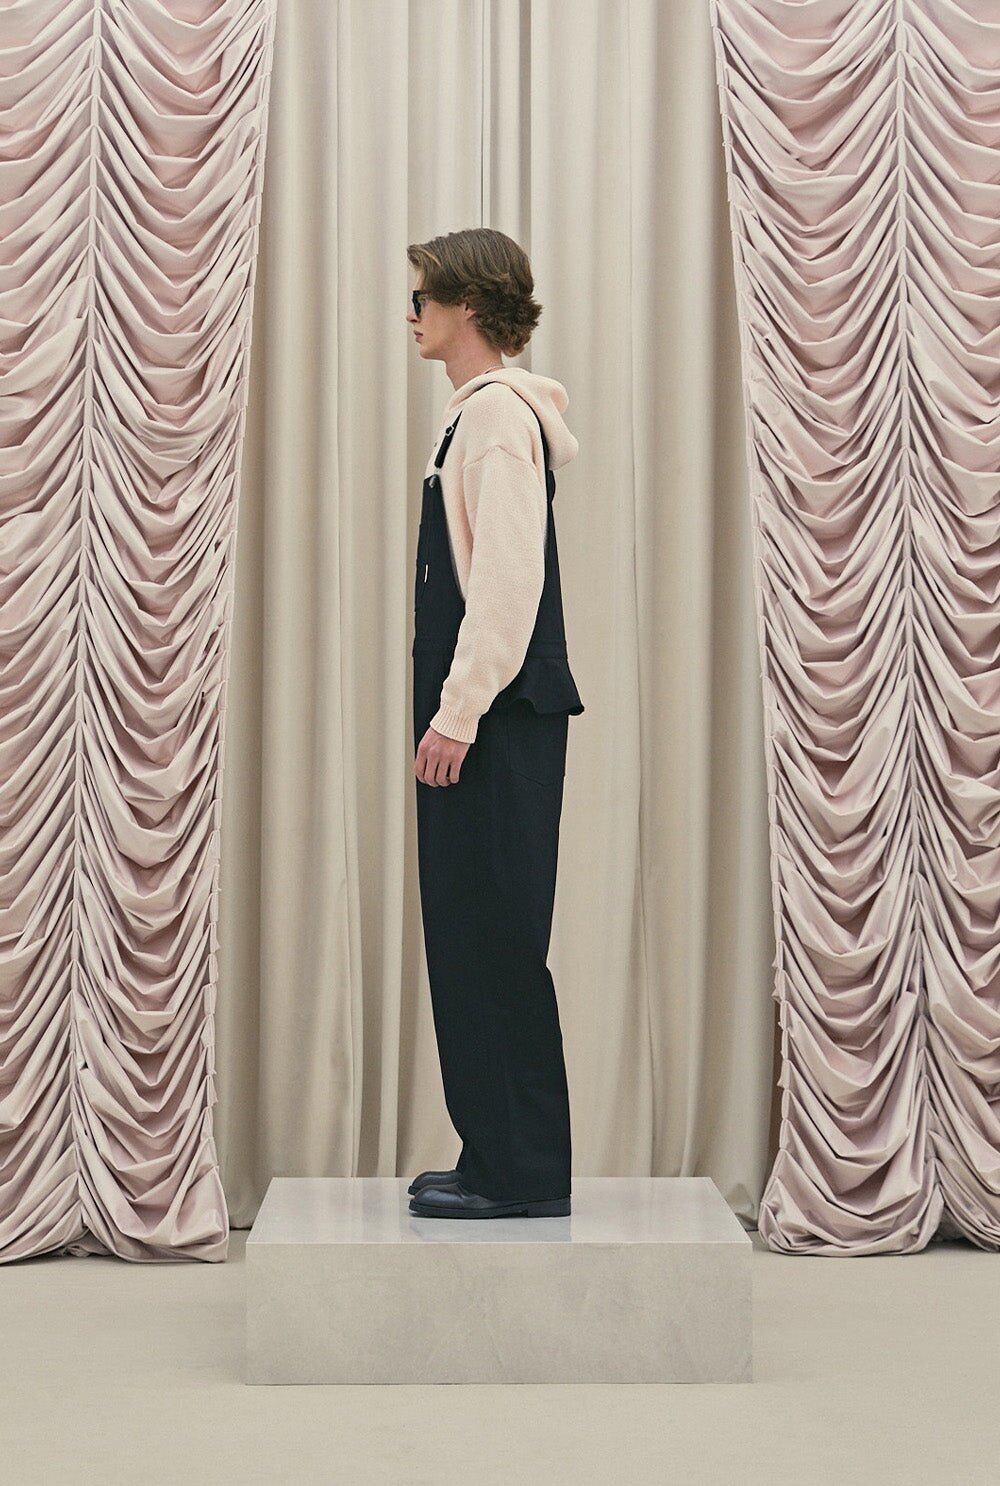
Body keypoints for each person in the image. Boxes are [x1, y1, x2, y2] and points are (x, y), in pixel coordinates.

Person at [405, 227, 584, 1218]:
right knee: (470, 934)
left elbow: (508, 588)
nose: (412, 315)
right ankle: (491, 1155)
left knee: (497, 939)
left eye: (423, 298)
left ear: (467, 306)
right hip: (489, 717)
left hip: (498, 720)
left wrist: (458, 713)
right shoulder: (476, 418)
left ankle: (520, 1174)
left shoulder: (497, 421)